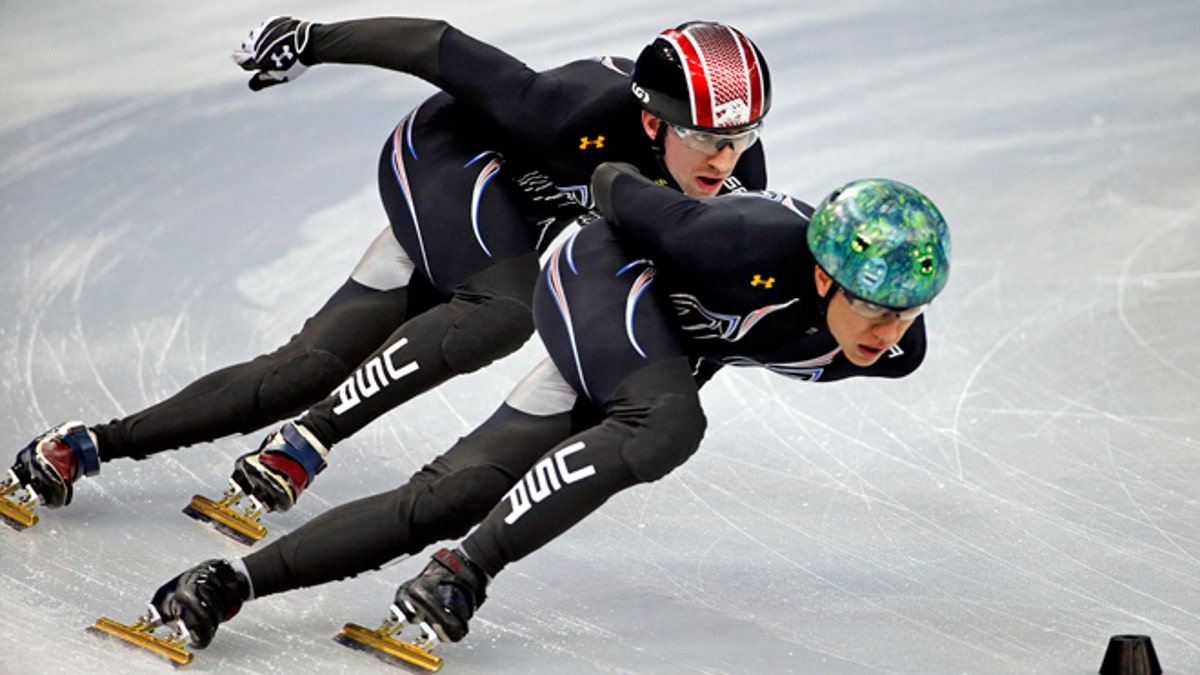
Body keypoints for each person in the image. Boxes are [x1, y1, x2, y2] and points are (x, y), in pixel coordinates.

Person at [139, 163, 951, 654]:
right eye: (877, 310)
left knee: (456, 492)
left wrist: (666, 357)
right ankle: (463, 572)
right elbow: (611, 188)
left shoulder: (889, 351)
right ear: (820, 278)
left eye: (909, 313)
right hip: (602, 276)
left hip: (654, 352)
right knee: (667, 424)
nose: (890, 332)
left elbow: (730, 337)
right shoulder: (737, 238)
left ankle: (222, 583)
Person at [1, 16, 772, 526]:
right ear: (649, 120)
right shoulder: (565, 109)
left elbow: (693, 300)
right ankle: (311, 436)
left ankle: (88, 442)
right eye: (705, 136)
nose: (724, 157)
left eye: (742, 137)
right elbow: (437, 45)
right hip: (450, 159)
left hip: (504, 222)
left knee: (301, 369)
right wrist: (308, 38)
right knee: (506, 306)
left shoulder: (730, 176)